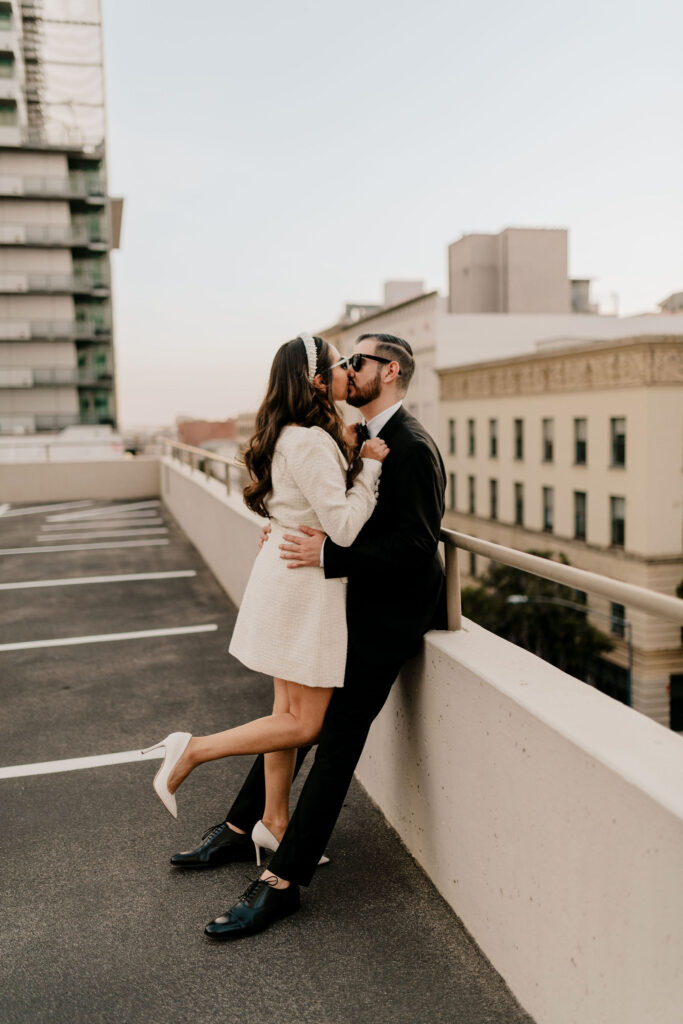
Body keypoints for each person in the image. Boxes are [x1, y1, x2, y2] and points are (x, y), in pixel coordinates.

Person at [184, 332, 447, 941]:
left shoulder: (413, 444)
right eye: (343, 362)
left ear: (392, 371)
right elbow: (317, 499)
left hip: (386, 619)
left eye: (359, 362)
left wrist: (329, 556)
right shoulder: (355, 437)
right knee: (295, 713)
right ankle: (243, 826)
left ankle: (284, 880)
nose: (347, 370)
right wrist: (285, 529)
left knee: (331, 735)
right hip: (346, 604)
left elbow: (415, 546)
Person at [141, 333, 389, 844]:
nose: (350, 370)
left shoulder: (289, 432)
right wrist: (370, 469)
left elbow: (295, 503)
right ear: (318, 381)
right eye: (343, 364)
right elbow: (342, 529)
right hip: (305, 590)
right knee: (308, 725)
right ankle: (193, 750)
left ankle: (274, 823)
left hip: (283, 577)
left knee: (285, 714)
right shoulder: (313, 440)